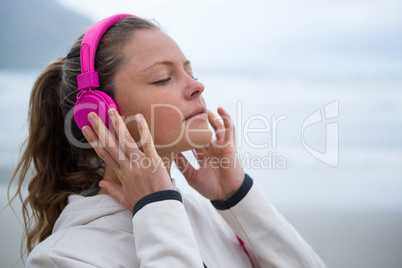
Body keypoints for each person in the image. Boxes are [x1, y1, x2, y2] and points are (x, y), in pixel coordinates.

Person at [9, 14, 327, 267]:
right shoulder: (66, 258)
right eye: (164, 78)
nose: (196, 87)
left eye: (192, 72)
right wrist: (156, 207)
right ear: (100, 113)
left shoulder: (205, 215)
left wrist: (236, 197)